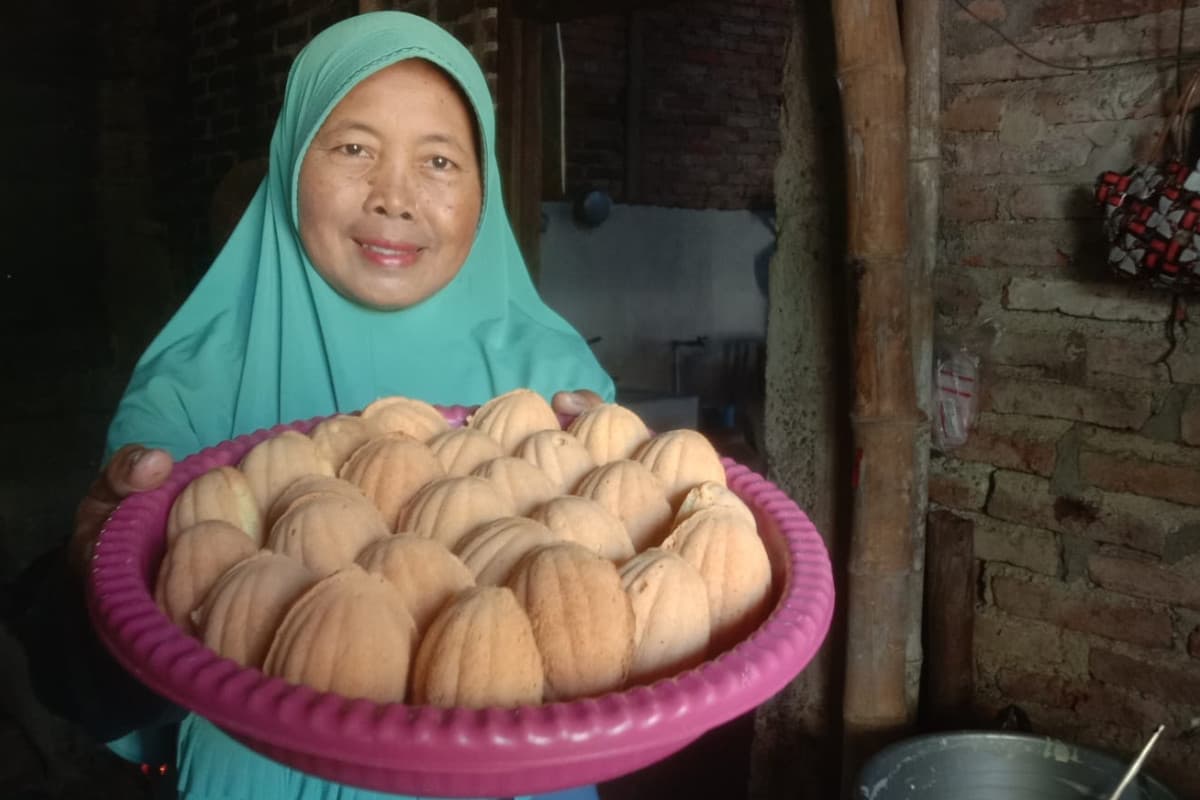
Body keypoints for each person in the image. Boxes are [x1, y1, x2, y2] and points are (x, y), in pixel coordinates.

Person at [24, 10, 612, 800]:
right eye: (353, 148)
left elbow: (608, 645)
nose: (395, 197)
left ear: (486, 188)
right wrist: (94, 578)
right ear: (291, 158)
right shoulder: (193, 389)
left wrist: (628, 494)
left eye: (439, 160)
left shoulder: (552, 386)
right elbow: (101, 685)